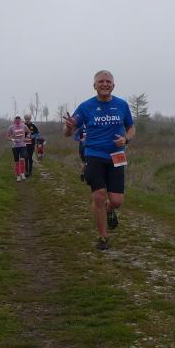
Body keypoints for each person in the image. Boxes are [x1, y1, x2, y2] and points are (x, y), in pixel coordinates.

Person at [64, 70, 135, 250]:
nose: (105, 84)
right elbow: (67, 133)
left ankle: (110, 210)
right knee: (99, 196)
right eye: (101, 81)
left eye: (108, 82)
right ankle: (103, 237)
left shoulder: (122, 105)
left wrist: (126, 139)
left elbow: (131, 128)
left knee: (117, 201)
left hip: (117, 155)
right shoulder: (85, 106)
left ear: (113, 85)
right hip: (94, 154)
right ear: (94, 85)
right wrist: (69, 127)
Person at [6, 115, 30, 181]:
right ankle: (18, 176)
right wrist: (13, 140)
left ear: (20, 120)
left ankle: (22, 173)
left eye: (19, 120)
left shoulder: (24, 126)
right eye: (16, 120)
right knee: (17, 162)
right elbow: (7, 137)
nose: (18, 121)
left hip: (23, 145)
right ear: (14, 120)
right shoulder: (11, 127)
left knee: (22, 160)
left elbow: (29, 132)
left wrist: (27, 137)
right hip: (15, 147)